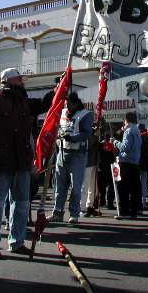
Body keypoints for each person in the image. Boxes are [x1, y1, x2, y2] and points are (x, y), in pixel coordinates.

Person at [0, 68, 53, 259]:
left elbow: (44, 104)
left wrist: (57, 89)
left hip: (21, 162)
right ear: (9, 81)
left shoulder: (24, 102)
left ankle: (16, 242)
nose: (23, 82)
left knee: (22, 204)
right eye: (20, 79)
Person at [48, 92, 93, 224]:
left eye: (69, 104)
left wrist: (72, 138)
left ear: (76, 103)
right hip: (62, 151)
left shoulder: (86, 114)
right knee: (59, 186)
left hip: (77, 153)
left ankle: (74, 213)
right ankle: (57, 212)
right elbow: (55, 126)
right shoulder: (62, 112)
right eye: (66, 103)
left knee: (75, 186)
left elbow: (86, 133)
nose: (67, 106)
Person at [112, 112, 142, 219]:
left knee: (123, 188)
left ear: (127, 120)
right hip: (135, 162)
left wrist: (115, 142)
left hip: (126, 162)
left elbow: (125, 147)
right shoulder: (137, 130)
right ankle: (134, 212)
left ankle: (124, 211)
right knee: (134, 190)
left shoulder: (128, 131)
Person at [81, 124, 100, 217]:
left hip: (94, 163)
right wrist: (95, 136)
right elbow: (88, 143)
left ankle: (89, 206)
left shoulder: (95, 136)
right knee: (85, 186)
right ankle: (82, 208)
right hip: (87, 163)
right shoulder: (87, 135)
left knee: (93, 188)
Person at [138, 124, 148, 211]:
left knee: (139, 183)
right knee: (144, 182)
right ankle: (144, 200)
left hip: (139, 163)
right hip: (146, 163)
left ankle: (141, 201)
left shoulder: (139, 140)